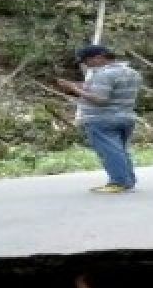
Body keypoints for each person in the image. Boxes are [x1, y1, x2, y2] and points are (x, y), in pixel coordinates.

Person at [56, 45, 142, 194]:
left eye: (86, 60)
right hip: (125, 116)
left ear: (99, 57)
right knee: (119, 150)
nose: (85, 65)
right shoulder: (132, 73)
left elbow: (101, 99)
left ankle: (119, 182)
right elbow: (103, 89)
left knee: (110, 152)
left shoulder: (104, 74)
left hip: (103, 119)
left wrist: (75, 90)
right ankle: (127, 180)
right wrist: (74, 85)